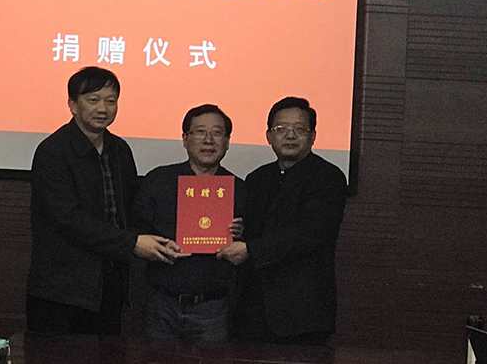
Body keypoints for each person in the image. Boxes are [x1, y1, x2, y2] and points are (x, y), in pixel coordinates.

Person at [26, 66, 184, 335]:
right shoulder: (53, 152)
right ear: (73, 105)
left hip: (110, 285)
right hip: (62, 289)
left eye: (111, 101)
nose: (103, 108)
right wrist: (132, 243)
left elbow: (131, 209)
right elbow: (68, 219)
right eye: (93, 100)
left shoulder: (119, 149)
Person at [217, 97, 347, 345]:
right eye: (281, 129)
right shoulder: (257, 178)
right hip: (253, 308)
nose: (290, 135)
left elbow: (311, 234)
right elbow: (256, 230)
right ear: (268, 136)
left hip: (302, 312)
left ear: (313, 136)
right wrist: (240, 231)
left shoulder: (328, 177)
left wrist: (250, 249)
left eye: (299, 129)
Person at [131, 104, 245, 342]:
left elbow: (251, 246)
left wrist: (241, 234)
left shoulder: (239, 189)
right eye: (200, 132)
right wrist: (155, 247)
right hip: (161, 302)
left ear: (227, 142)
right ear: (185, 139)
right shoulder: (158, 180)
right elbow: (135, 231)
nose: (208, 140)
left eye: (217, 133)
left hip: (213, 308)